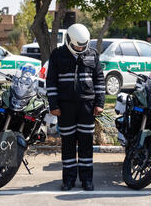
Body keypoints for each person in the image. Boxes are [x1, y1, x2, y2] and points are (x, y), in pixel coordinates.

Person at [46, 23, 105, 191]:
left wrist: (99, 103)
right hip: (65, 108)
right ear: (69, 40)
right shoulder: (57, 55)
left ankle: (87, 180)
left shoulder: (93, 55)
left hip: (87, 106)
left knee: (86, 143)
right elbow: (51, 82)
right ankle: (68, 180)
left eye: (83, 46)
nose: (80, 49)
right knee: (68, 143)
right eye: (77, 46)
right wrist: (54, 105)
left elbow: (99, 80)